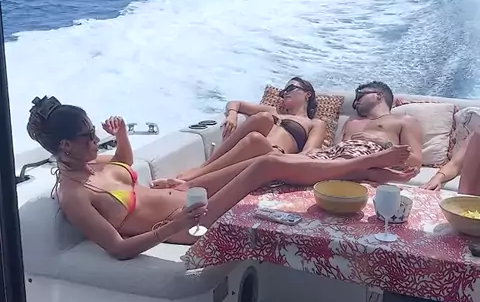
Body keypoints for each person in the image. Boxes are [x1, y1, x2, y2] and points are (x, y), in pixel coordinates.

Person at [26, 95, 412, 260]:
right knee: (264, 166)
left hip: (191, 197)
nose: (97, 139)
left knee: (260, 153)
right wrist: (172, 226)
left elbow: (123, 164)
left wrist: (123, 135)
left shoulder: (93, 163)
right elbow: (117, 248)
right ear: (65, 146)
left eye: (95, 132)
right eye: (88, 136)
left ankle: (362, 168)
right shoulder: (74, 195)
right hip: (186, 224)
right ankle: (367, 163)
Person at [178, 76, 326, 183]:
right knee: (263, 119)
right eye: (283, 92)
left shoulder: (314, 123)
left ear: (307, 94)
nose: (285, 93)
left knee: (256, 139)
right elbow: (235, 103)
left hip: (275, 156)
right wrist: (232, 115)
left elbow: (307, 154)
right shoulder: (273, 111)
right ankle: (204, 168)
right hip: (248, 149)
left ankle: (197, 176)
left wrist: (282, 161)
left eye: (290, 88)